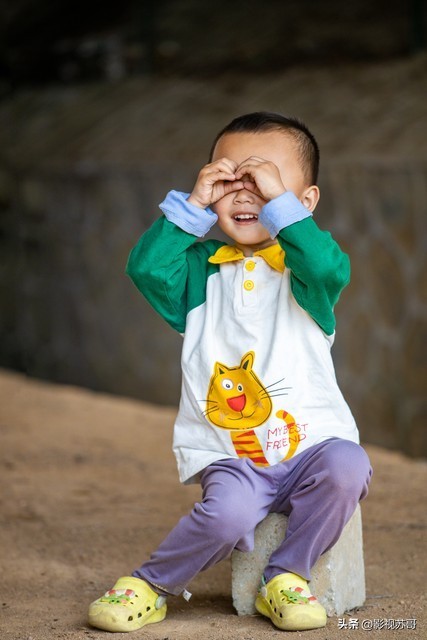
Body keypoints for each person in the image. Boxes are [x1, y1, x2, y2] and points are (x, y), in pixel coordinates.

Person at [88, 111, 372, 633]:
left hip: (313, 446)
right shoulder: (199, 272)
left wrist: (279, 206)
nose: (246, 193)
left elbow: (327, 266)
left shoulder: (307, 273)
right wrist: (194, 204)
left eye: (264, 180)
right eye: (231, 179)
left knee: (348, 467)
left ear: (304, 201)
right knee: (227, 515)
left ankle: (286, 577)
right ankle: (152, 584)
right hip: (232, 453)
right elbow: (146, 268)